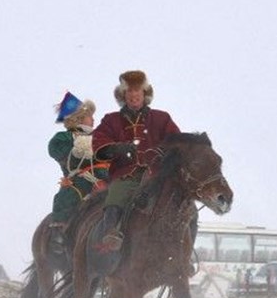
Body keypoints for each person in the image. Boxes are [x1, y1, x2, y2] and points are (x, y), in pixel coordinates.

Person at [91, 70, 180, 252]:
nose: (134, 96)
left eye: (137, 91)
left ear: (145, 94)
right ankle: (111, 234)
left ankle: (182, 248)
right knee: (116, 193)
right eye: (129, 92)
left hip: (157, 175)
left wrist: (163, 153)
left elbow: (176, 142)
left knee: (184, 205)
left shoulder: (161, 118)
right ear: (123, 95)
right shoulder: (111, 120)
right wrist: (116, 148)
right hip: (126, 176)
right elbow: (99, 141)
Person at [46, 92, 107, 254]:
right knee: (68, 196)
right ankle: (58, 233)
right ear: (78, 118)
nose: (93, 119)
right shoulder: (65, 137)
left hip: (106, 176)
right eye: (89, 116)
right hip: (80, 179)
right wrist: (77, 150)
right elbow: (56, 151)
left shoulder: (100, 137)